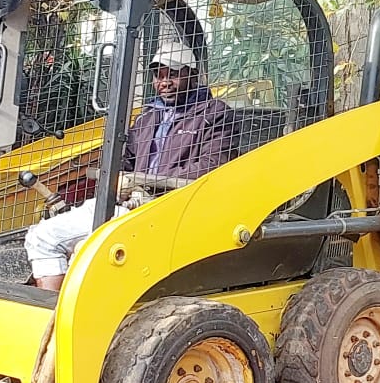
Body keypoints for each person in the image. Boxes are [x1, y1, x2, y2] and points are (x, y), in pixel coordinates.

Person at [25, 38, 233, 290]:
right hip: (126, 202)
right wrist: (115, 177)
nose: (164, 82)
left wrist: (144, 184)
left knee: (64, 245)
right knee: (40, 235)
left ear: (192, 75)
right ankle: (54, 312)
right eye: (159, 74)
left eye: (174, 74)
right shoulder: (147, 115)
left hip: (168, 209)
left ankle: (55, 314)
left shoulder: (213, 114)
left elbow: (211, 167)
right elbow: (126, 158)